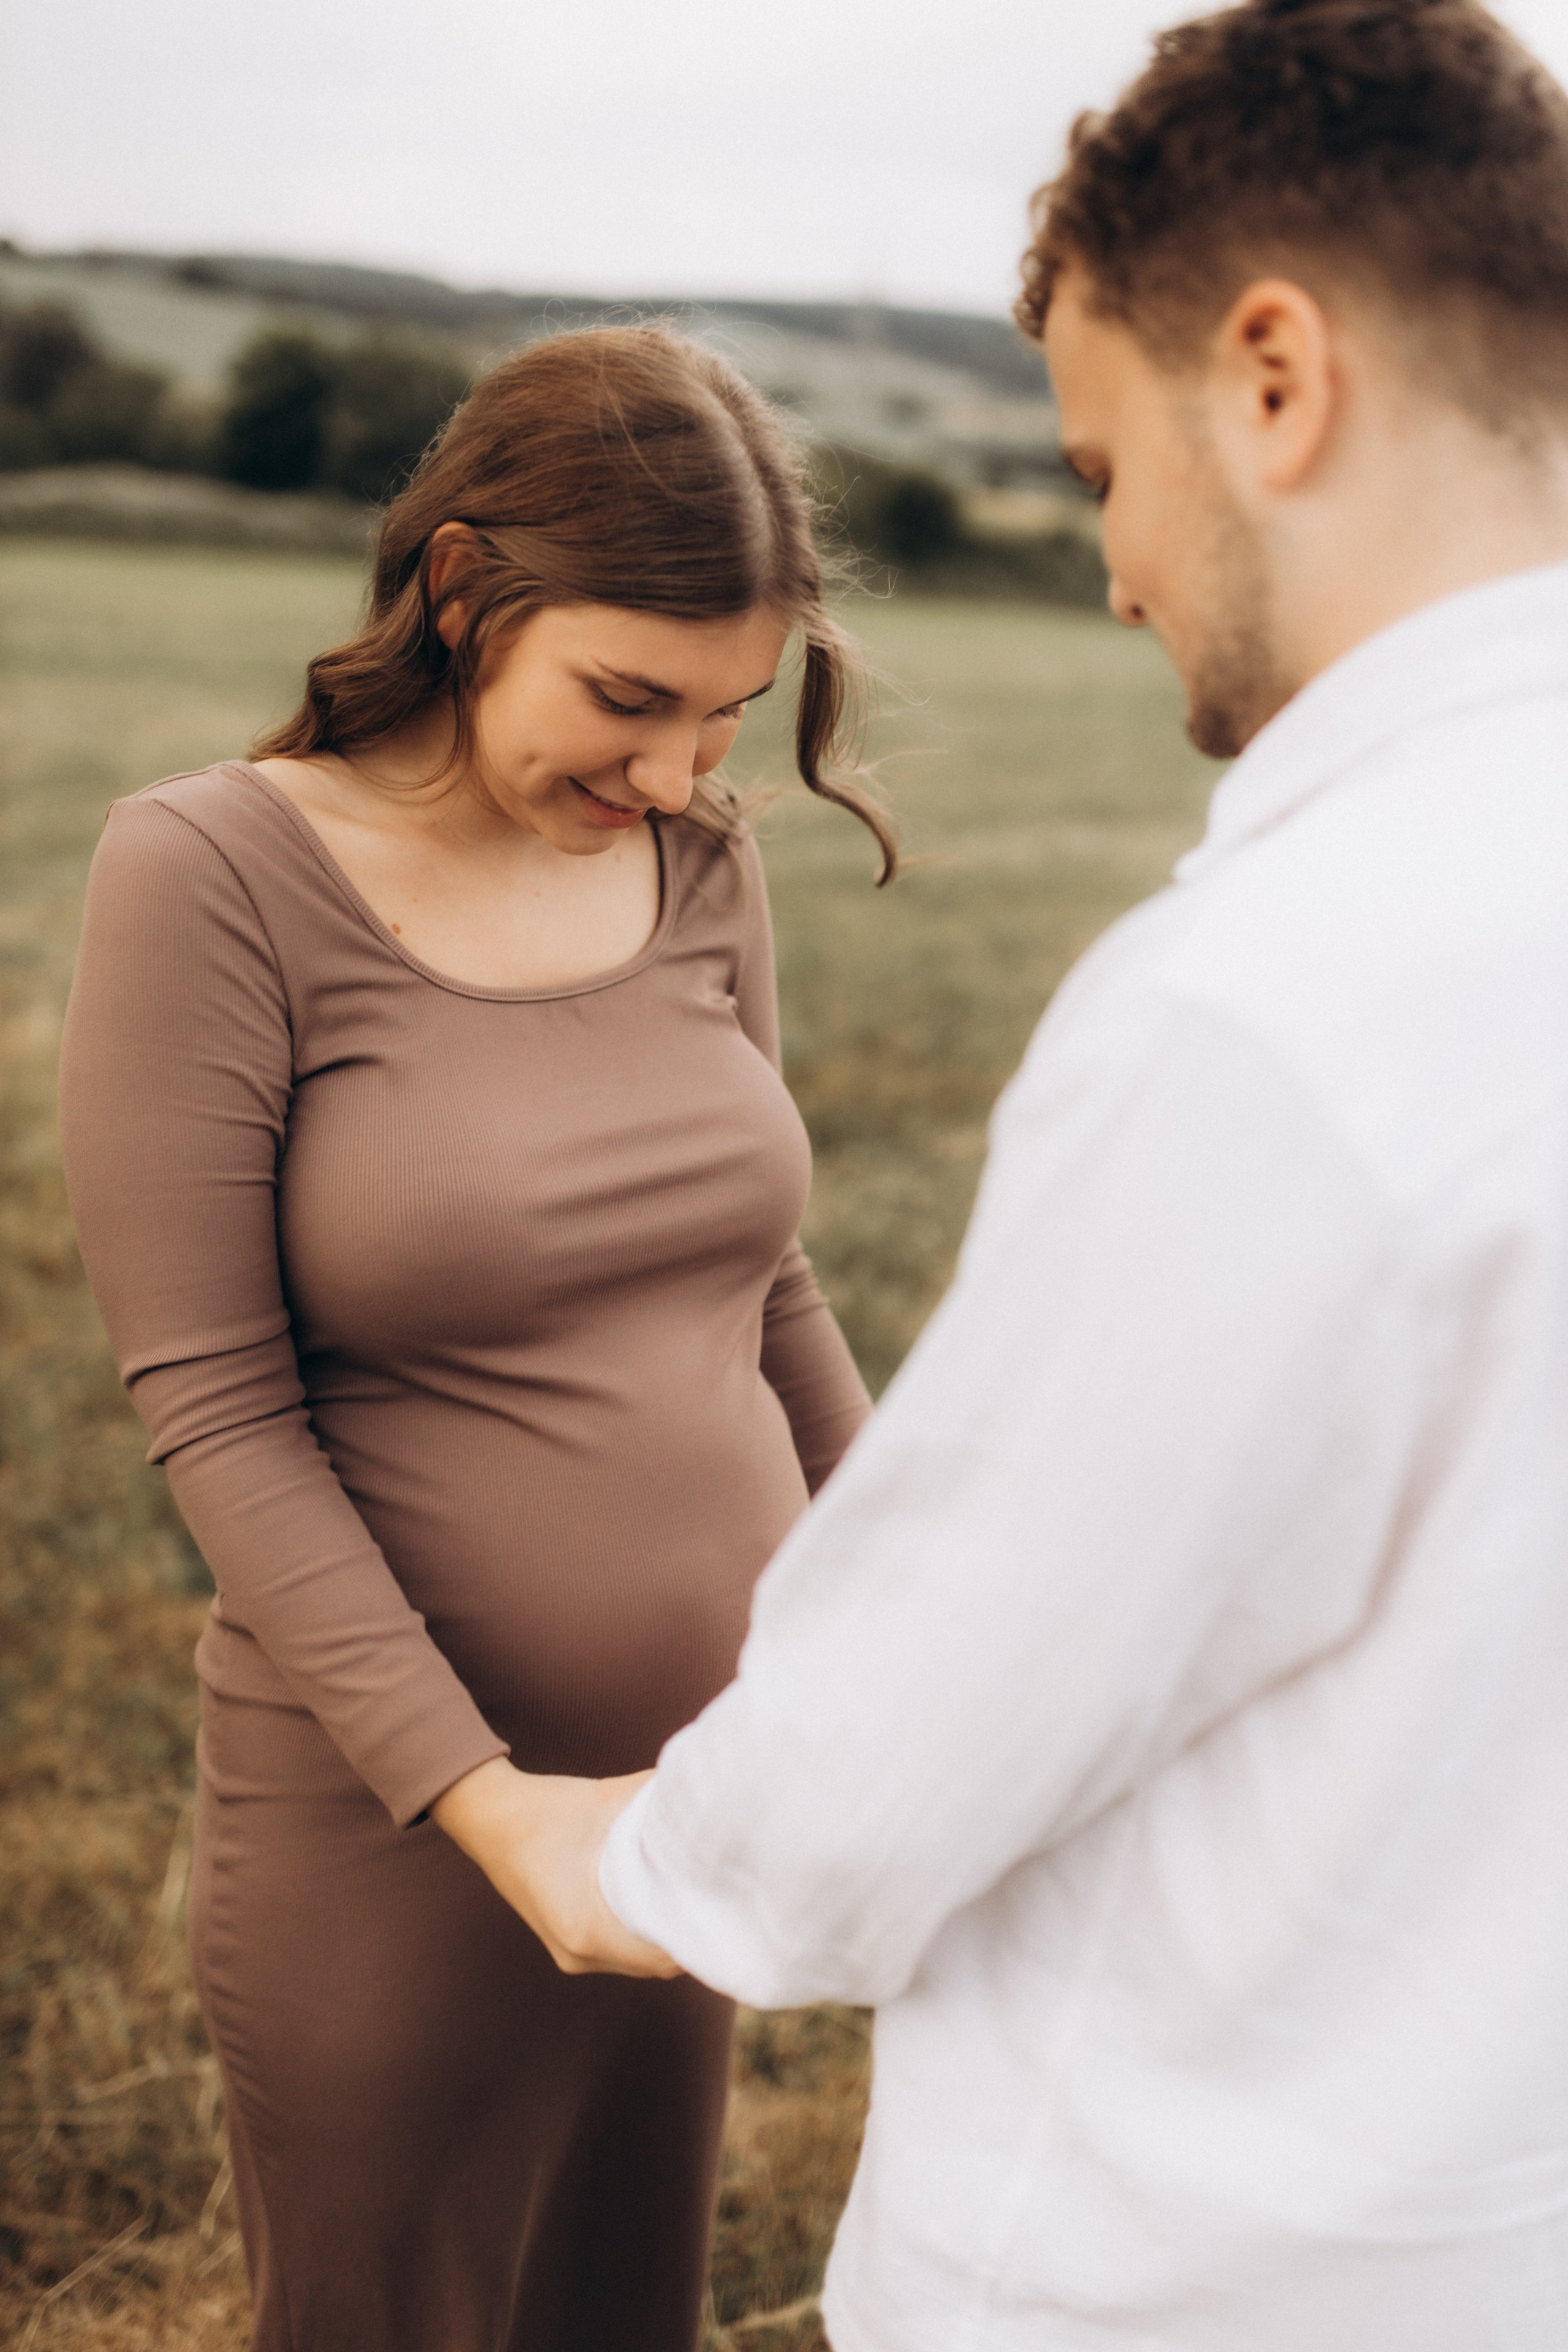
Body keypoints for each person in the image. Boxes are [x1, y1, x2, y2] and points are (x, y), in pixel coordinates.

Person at [502, 4, 1568, 2346]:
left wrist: (635, 1857)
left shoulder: (1276, 1008)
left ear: (1272, 378)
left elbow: (911, 1738)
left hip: (1203, 2268)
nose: (1108, 568)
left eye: (1102, 466)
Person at [58, 325, 892, 2352]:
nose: (680, 777)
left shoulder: (697, 867)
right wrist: (494, 1800)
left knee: (623, 2318)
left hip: (682, 1807)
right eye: (628, 700)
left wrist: (904, 1593)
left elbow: (763, 1289)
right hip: (410, 1830)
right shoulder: (212, 875)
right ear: (462, 591)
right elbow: (219, 1411)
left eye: (725, 717)